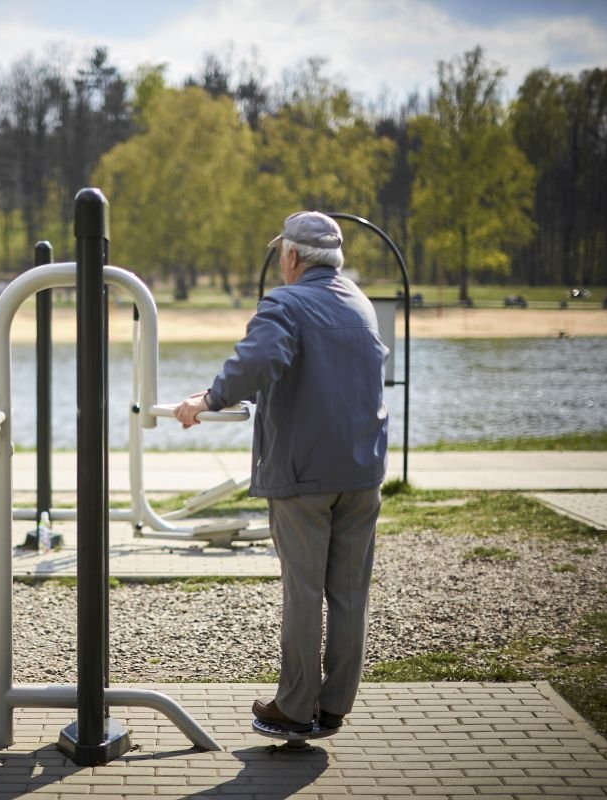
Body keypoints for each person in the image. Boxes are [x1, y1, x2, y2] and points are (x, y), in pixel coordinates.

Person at [173, 211, 388, 734]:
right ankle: (334, 705)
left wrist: (209, 399)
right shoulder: (361, 304)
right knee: (349, 593)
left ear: (291, 256)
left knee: (303, 590)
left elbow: (255, 364)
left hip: (303, 475)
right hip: (362, 471)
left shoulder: (286, 303)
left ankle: (294, 708)